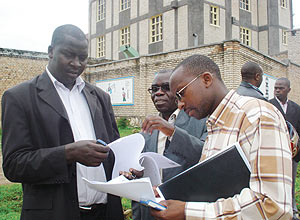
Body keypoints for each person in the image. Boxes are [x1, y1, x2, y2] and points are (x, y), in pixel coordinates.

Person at [1, 24, 124, 220]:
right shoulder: (20, 98)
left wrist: (130, 165)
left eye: (83, 58)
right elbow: (14, 165)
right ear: (50, 52)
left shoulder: (99, 97)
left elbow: (116, 151)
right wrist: (68, 153)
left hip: (106, 212)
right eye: (69, 55)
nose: (76, 63)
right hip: (55, 213)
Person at [150, 54, 293, 220]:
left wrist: (186, 211)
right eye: (176, 99)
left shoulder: (257, 116)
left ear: (206, 79)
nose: (180, 105)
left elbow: (273, 206)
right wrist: (166, 192)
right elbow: (216, 191)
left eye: (181, 94)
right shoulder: (215, 125)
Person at [129, 69, 207, 220]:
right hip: (152, 212)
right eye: (154, 89)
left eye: (165, 88)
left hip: (185, 212)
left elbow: (204, 157)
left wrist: (171, 131)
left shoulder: (201, 121)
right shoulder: (146, 130)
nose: (158, 93)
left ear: (178, 92)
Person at [270, 77, 300, 220]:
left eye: (280, 88)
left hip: (292, 155)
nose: (277, 90)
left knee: (291, 182)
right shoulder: (268, 105)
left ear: (288, 89)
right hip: (274, 154)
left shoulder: (296, 108)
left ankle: (292, 210)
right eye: (275, 88)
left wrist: (297, 154)